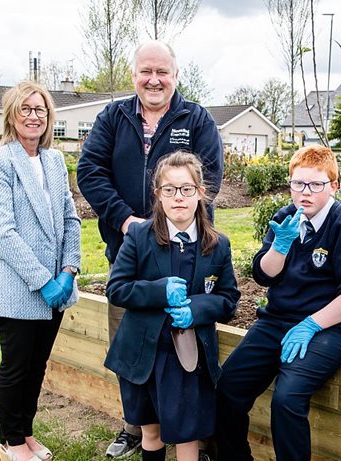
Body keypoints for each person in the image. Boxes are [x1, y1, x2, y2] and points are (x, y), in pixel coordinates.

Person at [76, 40, 224, 458]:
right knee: (132, 349)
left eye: (163, 72)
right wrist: (127, 221)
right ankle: (135, 427)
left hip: (184, 254)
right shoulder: (114, 116)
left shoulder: (195, 120)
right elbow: (89, 171)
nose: (154, 80)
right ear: (134, 75)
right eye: (146, 71)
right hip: (128, 250)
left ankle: (191, 432)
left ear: (176, 75)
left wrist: (175, 229)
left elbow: (207, 181)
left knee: (181, 352)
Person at [216, 146, 341, 461]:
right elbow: (264, 275)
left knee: (287, 398)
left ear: (333, 185)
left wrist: (312, 324)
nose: (306, 192)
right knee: (227, 388)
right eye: (298, 184)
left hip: (331, 326)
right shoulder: (285, 218)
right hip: (277, 320)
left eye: (316, 185)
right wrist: (281, 245)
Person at [105, 151, 240, 461]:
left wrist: (197, 308)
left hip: (187, 358)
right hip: (144, 354)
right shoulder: (140, 235)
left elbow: (228, 298)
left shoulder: (218, 244)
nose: (178, 197)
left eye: (186, 189)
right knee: (151, 432)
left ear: (200, 193)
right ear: (158, 195)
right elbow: (117, 288)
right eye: (169, 189)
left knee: (186, 433)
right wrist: (157, 291)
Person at [0, 81, 81, 461]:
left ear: (49, 116)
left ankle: (27, 433)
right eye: (26, 109)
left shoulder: (54, 161)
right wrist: (43, 281)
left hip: (58, 284)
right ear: (12, 115)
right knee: (16, 368)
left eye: (40, 109)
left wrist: (69, 271)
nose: (33, 116)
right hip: (16, 286)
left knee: (37, 367)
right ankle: (11, 441)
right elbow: (3, 232)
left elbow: (72, 219)